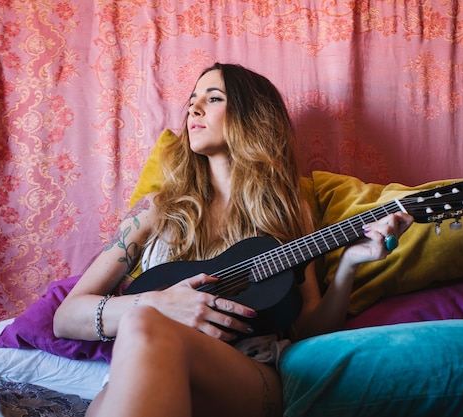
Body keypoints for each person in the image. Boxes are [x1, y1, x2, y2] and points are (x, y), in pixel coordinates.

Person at [53, 62, 413, 417]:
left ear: (250, 115)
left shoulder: (287, 209)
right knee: (140, 330)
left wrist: (348, 266)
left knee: (143, 326)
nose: (192, 108)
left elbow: (307, 328)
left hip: (246, 373)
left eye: (213, 98)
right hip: (149, 361)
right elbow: (66, 317)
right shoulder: (157, 210)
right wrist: (158, 304)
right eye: (193, 99)